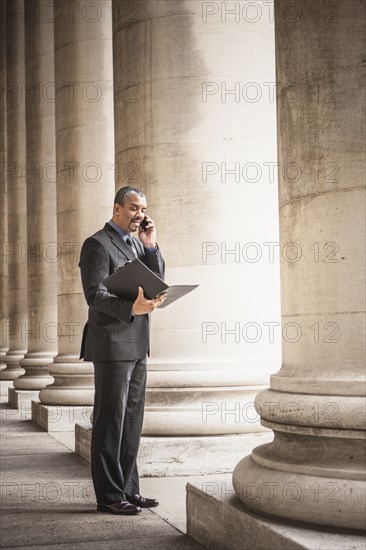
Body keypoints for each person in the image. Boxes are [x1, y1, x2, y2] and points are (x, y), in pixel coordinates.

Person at [79, 186, 166, 515]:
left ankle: (129, 488)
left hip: (137, 342)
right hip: (111, 342)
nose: (139, 214)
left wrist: (151, 245)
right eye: (133, 208)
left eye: (142, 209)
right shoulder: (97, 245)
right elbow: (95, 295)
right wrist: (133, 307)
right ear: (117, 209)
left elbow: (157, 279)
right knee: (110, 421)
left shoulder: (136, 244)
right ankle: (110, 495)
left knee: (131, 420)